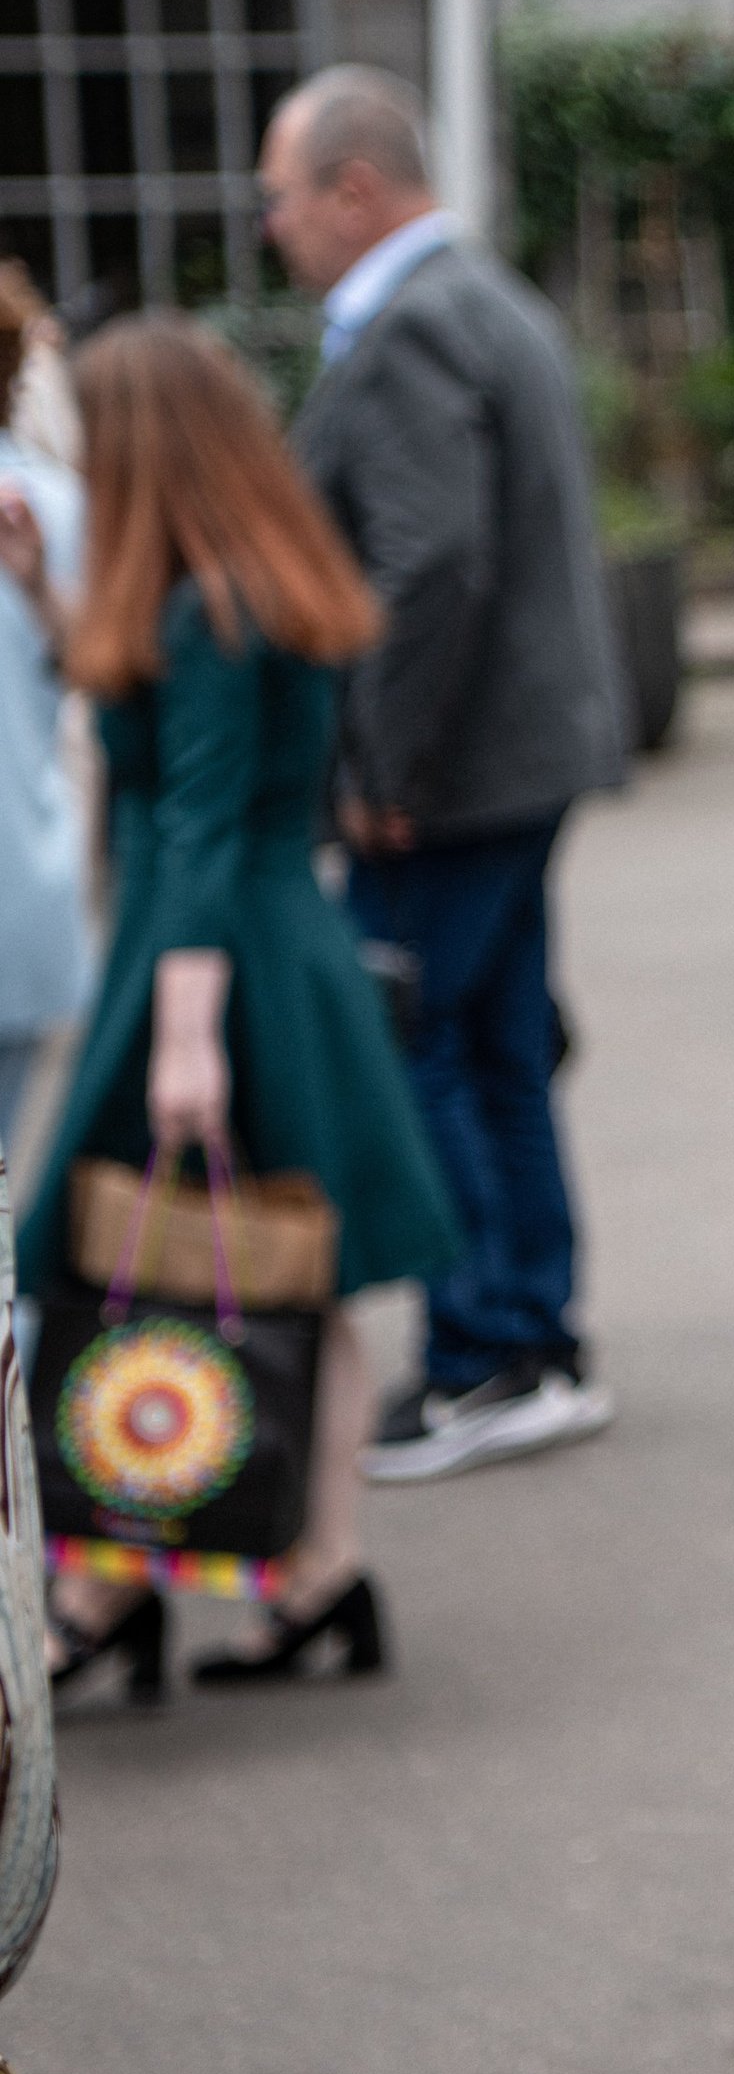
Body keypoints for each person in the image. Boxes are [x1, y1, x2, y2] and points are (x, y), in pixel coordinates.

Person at [20, 317, 460, 1695]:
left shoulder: (199, 602)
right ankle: (318, 1575)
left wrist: (188, 1037)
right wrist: (45, 597)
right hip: (274, 949)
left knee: (96, 1263)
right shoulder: (247, 575)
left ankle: (98, 1592)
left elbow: (195, 820)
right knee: (285, 1274)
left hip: (207, 960)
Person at [259, 68, 623, 1482]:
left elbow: (426, 563)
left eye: (282, 196)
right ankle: (531, 1337)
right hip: (517, 753)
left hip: (449, 770)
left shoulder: (409, 325)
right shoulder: (485, 296)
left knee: (423, 1040)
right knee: (498, 1037)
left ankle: (489, 1350)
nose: (273, 226)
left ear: (355, 187)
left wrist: (377, 762)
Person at [0, 267, 92, 1152]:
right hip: (23, 885)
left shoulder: (48, 507)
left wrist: (35, 588)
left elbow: (103, 668)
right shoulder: (55, 500)